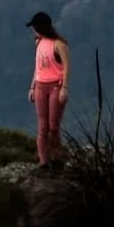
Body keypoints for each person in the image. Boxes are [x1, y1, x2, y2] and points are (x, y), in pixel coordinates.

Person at [26, 10, 70, 172]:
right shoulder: (39, 42)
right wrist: (32, 87)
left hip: (55, 86)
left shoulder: (59, 44)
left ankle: (57, 160)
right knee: (42, 127)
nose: (33, 30)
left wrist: (64, 87)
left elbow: (66, 67)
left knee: (53, 126)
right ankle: (43, 162)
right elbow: (37, 67)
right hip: (40, 86)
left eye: (34, 27)